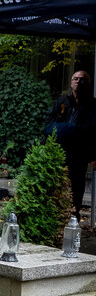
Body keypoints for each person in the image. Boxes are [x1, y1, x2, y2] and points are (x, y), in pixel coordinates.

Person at [43, 70, 95, 216]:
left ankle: (74, 214)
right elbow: (47, 126)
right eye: (75, 79)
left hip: (79, 153)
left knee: (77, 185)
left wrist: (93, 155)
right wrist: (72, 129)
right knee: (57, 183)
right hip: (60, 151)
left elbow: (92, 131)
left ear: (87, 84)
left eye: (82, 80)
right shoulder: (62, 102)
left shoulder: (92, 105)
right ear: (71, 82)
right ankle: (58, 214)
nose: (78, 82)